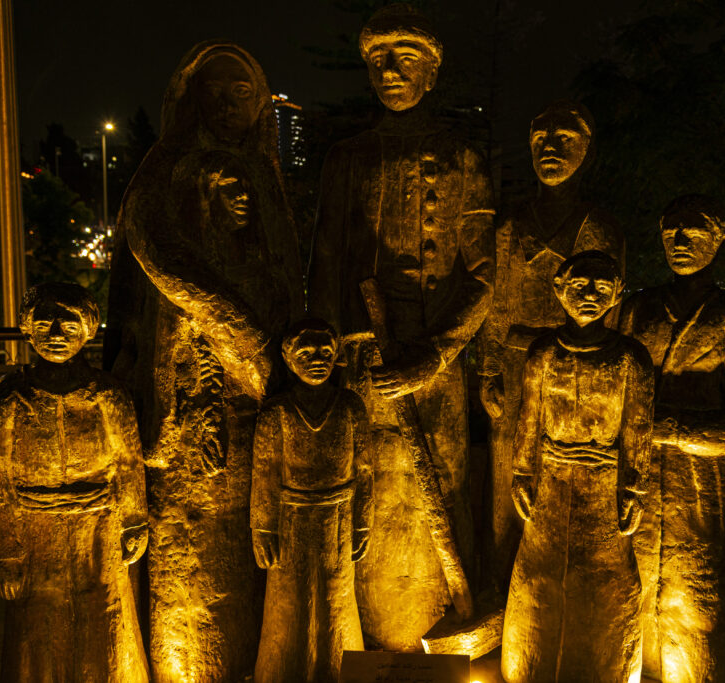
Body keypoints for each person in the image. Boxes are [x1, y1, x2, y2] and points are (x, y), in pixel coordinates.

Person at [104, 41, 303, 680]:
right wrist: (234, 326)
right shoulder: (167, 168)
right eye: (215, 90)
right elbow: (151, 246)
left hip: (257, 400)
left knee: (255, 539)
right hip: (189, 396)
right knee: (190, 546)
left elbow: (285, 275)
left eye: (242, 92)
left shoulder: (265, 174)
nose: (228, 103)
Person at [307, 4, 494, 650]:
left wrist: (436, 354)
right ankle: (366, 644)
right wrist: (330, 364)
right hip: (362, 360)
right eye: (379, 59)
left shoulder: (463, 158)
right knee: (369, 492)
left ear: (432, 73)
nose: (390, 70)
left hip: (436, 361)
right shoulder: (345, 159)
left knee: (438, 489)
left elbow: (482, 276)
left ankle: (435, 632)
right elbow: (325, 263)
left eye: (406, 58)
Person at [479, 100, 625, 585]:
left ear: (586, 151)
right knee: (507, 480)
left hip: (574, 372)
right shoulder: (510, 225)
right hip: (516, 368)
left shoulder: (599, 227)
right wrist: (489, 369)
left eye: (565, 140)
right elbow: (495, 302)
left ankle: (558, 587)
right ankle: (502, 585)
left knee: (566, 478)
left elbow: (611, 312)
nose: (551, 149)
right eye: (541, 139)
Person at [619, 195, 725, 682]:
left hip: (702, 484)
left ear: (719, 238)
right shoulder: (637, 308)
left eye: (693, 230)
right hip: (637, 475)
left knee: (697, 600)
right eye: (670, 231)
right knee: (630, 593)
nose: (679, 240)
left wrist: (672, 429)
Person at [0, 283, 148, 683]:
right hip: (33, 533)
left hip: (99, 529)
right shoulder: (9, 400)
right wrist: (5, 554)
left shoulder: (108, 395)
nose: (55, 334)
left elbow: (128, 462)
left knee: (104, 613)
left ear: (87, 330)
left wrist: (134, 520)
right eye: (44, 324)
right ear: (28, 330)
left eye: (68, 325)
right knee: (37, 620)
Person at [500, 252, 652, 683]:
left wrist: (633, 488)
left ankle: (607, 668)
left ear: (617, 294)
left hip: (604, 483)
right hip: (550, 480)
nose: (589, 295)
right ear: (559, 288)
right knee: (539, 573)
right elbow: (528, 418)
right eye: (580, 285)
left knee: (605, 579)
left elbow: (638, 427)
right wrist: (522, 472)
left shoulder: (631, 358)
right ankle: (528, 662)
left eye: (601, 288)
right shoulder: (543, 352)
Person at [250, 319, 372, 683]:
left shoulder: (350, 406)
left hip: (339, 518)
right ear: (289, 360)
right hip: (291, 521)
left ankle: (340, 667)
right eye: (305, 354)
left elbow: (365, 470)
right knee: (289, 600)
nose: (317, 360)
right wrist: (262, 528)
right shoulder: (277, 412)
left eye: (325, 352)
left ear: (336, 357)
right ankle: (283, 670)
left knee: (337, 595)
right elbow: (264, 472)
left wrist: (363, 521)